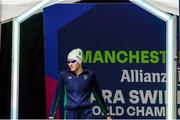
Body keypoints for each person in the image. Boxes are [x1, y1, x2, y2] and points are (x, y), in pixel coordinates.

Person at [49, 48, 112, 120]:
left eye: (73, 61)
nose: (70, 64)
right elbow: (57, 96)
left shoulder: (90, 75)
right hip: (70, 113)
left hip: (86, 112)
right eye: (68, 62)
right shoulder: (64, 75)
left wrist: (107, 114)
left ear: (79, 61)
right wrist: (51, 116)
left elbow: (98, 95)